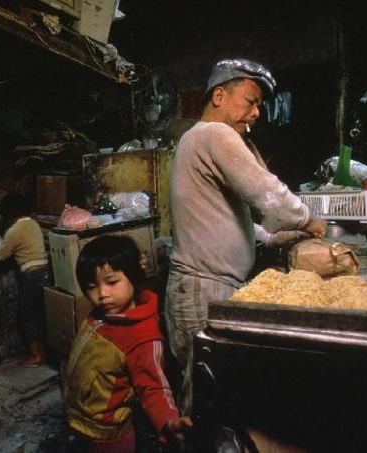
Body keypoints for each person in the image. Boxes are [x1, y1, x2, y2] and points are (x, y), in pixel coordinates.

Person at [165, 58, 327, 415]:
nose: (256, 113)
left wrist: (269, 239)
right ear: (219, 96)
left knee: (210, 397)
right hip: (202, 290)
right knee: (205, 406)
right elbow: (266, 192)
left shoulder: (198, 140)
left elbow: (223, 218)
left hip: (205, 287)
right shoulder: (214, 134)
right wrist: (311, 220)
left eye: (259, 105)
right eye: (250, 101)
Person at [63, 235, 192, 452]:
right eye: (92, 286)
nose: (102, 294)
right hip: (80, 422)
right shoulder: (103, 314)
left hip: (108, 436)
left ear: (133, 276)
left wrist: (168, 421)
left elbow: (154, 387)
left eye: (112, 282)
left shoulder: (142, 337)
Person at [0, 193, 51, 367]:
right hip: (44, 272)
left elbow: (0, 255)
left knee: (27, 316)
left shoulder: (14, 230)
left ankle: (35, 356)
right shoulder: (33, 224)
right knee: (39, 314)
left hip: (30, 275)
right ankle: (42, 352)